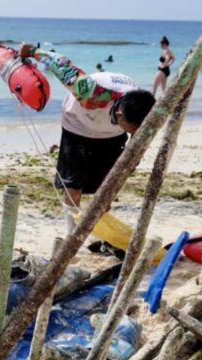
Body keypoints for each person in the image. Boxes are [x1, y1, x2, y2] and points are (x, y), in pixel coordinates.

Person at [19, 44, 155, 233]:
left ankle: (99, 231)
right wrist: (32, 51)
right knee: (74, 183)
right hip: (77, 124)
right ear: (120, 113)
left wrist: (133, 157)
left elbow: (139, 139)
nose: (134, 134)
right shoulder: (88, 91)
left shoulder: (147, 111)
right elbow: (59, 63)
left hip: (111, 135)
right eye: (132, 130)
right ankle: (71, 232)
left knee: (107, 185)